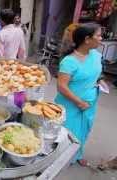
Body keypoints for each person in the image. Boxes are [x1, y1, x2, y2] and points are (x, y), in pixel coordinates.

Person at [54, 23, 103, 166]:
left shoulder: (96, 55)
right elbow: (61, 86)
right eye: (98, 35)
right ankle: (61, 158)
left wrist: (98, 81)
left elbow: (95, 74)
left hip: (89, 103)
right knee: (67, 133)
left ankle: (78, 153)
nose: (101, 38)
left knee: (84, 130)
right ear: (87, 39)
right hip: (71, 105)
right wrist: (79, 102)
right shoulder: (69, 61)